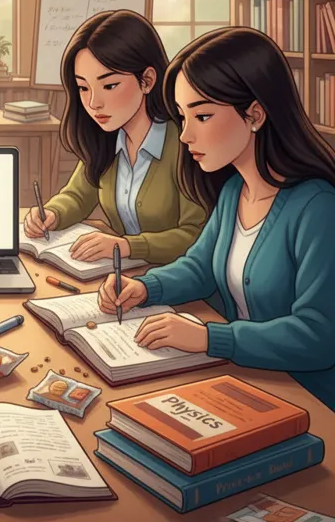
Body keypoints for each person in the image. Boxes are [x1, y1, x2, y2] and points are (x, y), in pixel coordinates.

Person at [99, 27, 335, 412]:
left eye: (203, 115)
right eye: (181, 116)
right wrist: (145, 288)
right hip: (248, 379)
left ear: (255, 113)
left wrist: (210, 338)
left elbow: (318, 335)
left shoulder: (318, 208)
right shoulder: (233, 193)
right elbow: (200, 268)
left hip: (308, 400)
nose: (186, 134)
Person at [23, 10, 206, 265]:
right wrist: (52, 213)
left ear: (147, 80)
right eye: (83, 88)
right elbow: (77, 195)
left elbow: (195, 235)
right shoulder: (106, 139)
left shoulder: (186, 144)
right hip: (127, 278)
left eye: (109, 86)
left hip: (181, 286)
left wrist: (128, 246)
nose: (94, 103)